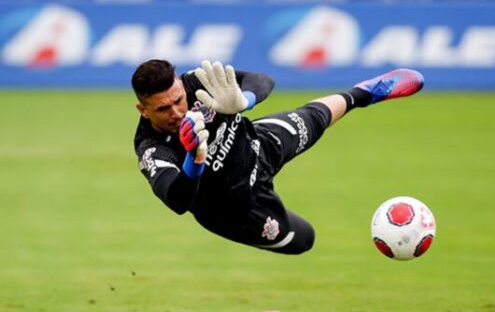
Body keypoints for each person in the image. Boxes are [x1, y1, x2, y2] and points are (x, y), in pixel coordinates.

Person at [132, 60, 423, 254]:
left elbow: (263, 80)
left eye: (178, 100)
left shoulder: (198, 81)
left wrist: (244, 100)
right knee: (304, 239)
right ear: (143, 110)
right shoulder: (151, 147)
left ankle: (364, 93)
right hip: (236, 210)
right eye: (163, 109)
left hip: (258, 146)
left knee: (313, 117)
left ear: (181, 87)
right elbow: (177, 201)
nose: (177, 112)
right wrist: (194, 161)